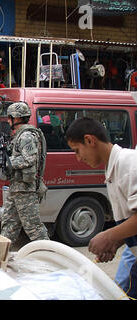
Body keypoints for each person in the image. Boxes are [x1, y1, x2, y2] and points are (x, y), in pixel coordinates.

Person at [65, 117, 137, 298]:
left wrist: (108, 235)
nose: (78, 158)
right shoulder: (112, 168)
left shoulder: (129, 164)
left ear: (90, 140)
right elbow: (130, 219)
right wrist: (116, 242)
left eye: (77, 151)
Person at [0, 102, 49, 244]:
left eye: (10, 118)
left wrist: (9, 162)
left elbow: (29, 159)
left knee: (34, 228)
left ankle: (49, 256)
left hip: (25, 190)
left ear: (17, 118)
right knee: (9, 225)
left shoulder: (27, 136)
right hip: (16, 188)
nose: (8, 121)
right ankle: (1, 257)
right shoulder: (19, 135)